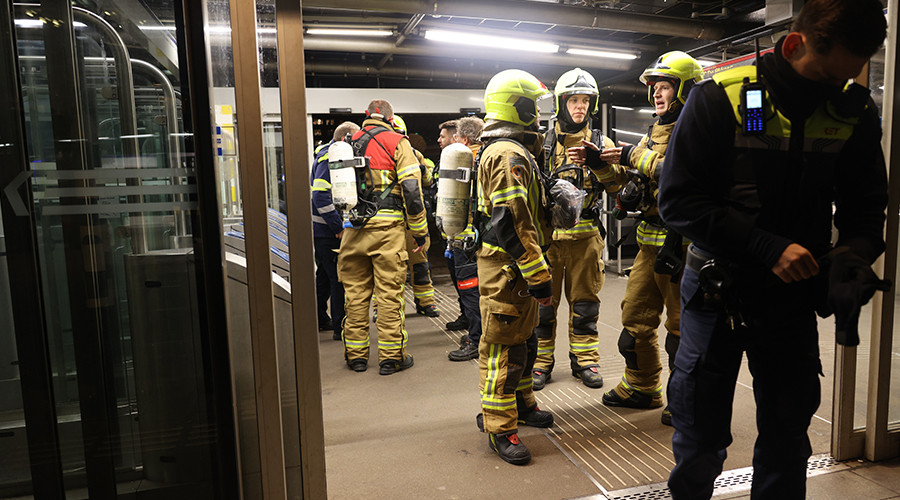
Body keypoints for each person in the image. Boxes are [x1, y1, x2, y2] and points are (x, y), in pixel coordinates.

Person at [657, 0, 888, 496]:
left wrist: (852, 257)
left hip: (792, 300)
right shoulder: (720, 98)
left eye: (846, 79)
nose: (835, 91)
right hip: (718, 291)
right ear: (793, 44)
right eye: (826, 76)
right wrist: (766, 247)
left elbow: (867, 208)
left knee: (787, 436)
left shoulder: (854, 112)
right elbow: (678, 201)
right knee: (699, 432)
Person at [571, 51, 702, 424]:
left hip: (682, 246)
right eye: (656, 88)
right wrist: (601, 166)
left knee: (682, 330)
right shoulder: (653, 132)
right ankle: (643, 387)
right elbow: (632, 188)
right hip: (649, 245)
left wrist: (630, 154)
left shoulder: (697, 128)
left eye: (666, 87)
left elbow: (681, 174)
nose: (658, 95)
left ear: (685, 89)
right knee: (635, 319)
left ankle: (686, 400)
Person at [474, 69, 555, 465]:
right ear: (516, 106)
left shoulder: (512, 149)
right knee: (503, 349)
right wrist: (538, 275)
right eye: (533, 106)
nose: (538, 115)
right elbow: (511, 221)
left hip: (513, 268)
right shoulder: (508, 154)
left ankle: (522, 404)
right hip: (508, 268)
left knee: (524, 339)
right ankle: (500, 427)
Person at [531, 67, 615, 391]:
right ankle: (541, 363)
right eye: (573, 100)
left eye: (585, 101)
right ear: (561, 102)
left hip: (586, 239)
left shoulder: (600, 143)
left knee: (585, 305)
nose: (579, 107)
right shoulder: (542, 143)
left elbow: (617, 186)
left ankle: (586, 360)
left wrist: (600, 165)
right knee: (543, 306)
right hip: (550, 241)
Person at [338, 100, 429, 375]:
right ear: (391, 118)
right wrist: (419, 230)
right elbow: (412, 190)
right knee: (389, 295)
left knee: (354, 295)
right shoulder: (397, 142)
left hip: (352, 230)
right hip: (387, 232)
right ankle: (391, 358)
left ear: (366, 117)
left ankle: (356, 356)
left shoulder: (347, 142)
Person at [311, 121, 359, 341]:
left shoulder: (324, 154)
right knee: (339, 279)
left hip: (321, 231)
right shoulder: (331, 157)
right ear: (344, 139)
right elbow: (320, 194)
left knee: (324, 277)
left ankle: (319, 317)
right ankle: (341, 327)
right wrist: (337, 226)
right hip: (328, 232)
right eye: (355, 140)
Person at [392, 114, 440, 318]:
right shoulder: (380, 154)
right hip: (392, 222)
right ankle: (386, 308)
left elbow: (429, 180)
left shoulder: (415, 154)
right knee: (391, 269)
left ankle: (426, 303)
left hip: (412, 221)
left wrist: (422, 171)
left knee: (420, 265)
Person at [447, 116, 484, 362]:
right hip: (485, 237)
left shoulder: (465, 159)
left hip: (466, 238)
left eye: (457, 138)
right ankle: (478, 333)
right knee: (484, 291)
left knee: (470, 290)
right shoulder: (488, 156)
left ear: (466, 139)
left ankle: (476, 339)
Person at [437, 119, 469, 331]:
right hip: (450, 233)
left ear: (456, 137)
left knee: (467, 283)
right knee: (458, 280)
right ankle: (465, 315)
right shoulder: (448, 160)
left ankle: (472, 326)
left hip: (464, 235)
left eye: (443, 136)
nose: (439, 140)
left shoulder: (466, 159)